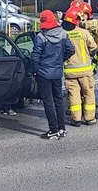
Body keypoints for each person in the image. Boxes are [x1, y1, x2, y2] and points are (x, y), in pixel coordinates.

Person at [31, 10, 75, 140]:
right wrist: (61, 59)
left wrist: (35, 70)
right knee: (58, 100)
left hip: (44, 73)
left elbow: (35, 56)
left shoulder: (41, 37)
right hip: (57, 72)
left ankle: (53, 130)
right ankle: (62, 128)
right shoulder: (63, 33)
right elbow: (71, 50)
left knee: (48, 101)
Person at [62, 7, 98, 126]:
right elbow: (94, 48)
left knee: (74, 95)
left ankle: (76, 119)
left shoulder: (62, 34)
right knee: (88, 94)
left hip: (69, 71)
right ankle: (89, 118)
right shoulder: (84, 33)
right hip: (85, 71)